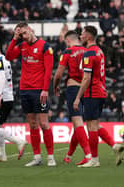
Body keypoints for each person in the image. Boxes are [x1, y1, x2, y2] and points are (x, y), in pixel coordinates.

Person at [5, 22, 56, 167]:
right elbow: (8, 56)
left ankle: (51, 157)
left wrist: (45, 89)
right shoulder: (22, 46)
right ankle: (37, 157)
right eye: (20, 35)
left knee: (44, 123)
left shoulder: (45, 47)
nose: (23, 37)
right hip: (25, 90)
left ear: (30, 30)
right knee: (32, 125)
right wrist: (15, 39)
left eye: (24, 33)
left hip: (39, 90)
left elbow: (48, 70)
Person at [73, 26, 124, 167]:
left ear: (89, 37)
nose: (81, 36)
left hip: (92, 92)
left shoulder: (89, 53)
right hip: (101, 91)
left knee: (91, 126)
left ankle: (94, 160)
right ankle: (114, 146)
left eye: (82, 34)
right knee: (95, 124)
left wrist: (77, 97)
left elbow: (86, 78)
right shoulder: (99, 51)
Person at [0, 39, 27, 162]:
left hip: (3, 98)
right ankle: (2, 155)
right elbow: (0, 80)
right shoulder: (5, 59)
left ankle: (19, 141)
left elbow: (2, 77)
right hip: (7, 97)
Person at [53, 30, 92, 165]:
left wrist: (55, 85)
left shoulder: (68, 52)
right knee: (78, 124)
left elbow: (59, 74)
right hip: (86, 89)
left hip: (73, 87)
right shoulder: (87, 51)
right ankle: (68, 155)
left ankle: (88, 155)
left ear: (68, 40)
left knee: (77, 121)